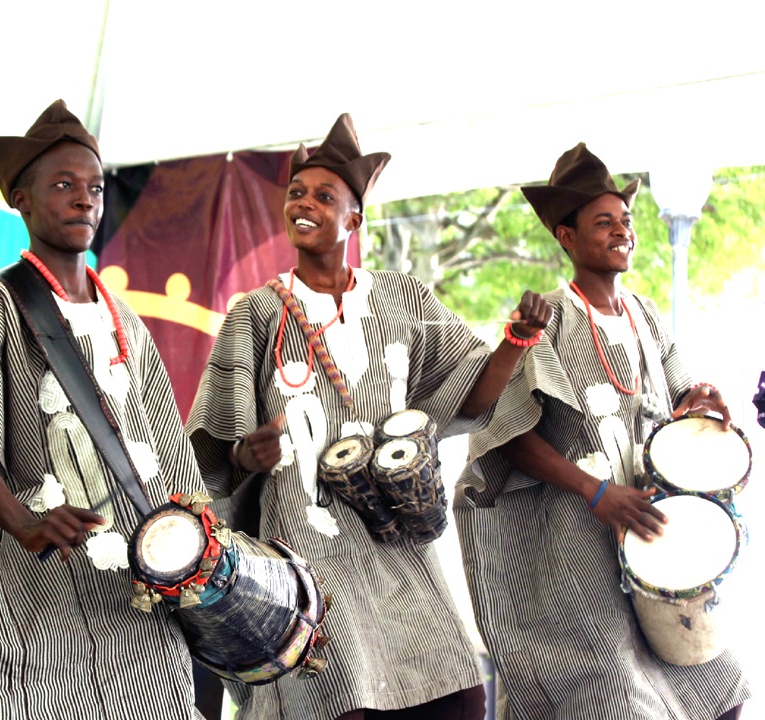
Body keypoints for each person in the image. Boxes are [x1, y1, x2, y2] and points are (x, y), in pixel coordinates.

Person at [186, 113, 551, 719]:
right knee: (340, 693)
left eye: (323, 196)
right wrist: (246, 454)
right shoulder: (252, 315)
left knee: (458, 696)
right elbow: (212, 451)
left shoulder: (402, 298)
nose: (304, 204)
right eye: (296, 193)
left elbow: (472, 397)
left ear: (354, 219)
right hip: (306, 544)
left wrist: (515, 341)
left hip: (397, 540)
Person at [0, 100, 209, 719]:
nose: (84, 200)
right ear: (22, 201)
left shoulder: (125, 322)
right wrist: (23, 522)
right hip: (18, 601)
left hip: (131, 607)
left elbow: (173, 459)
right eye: (62, 186)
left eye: (94, 188)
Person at [454, 143, 750, 719]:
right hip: (576, 547)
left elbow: (676, 396)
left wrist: (699, 401)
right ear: (566, 237)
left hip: (649, 533)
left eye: (626, 221)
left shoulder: (643, 313)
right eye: (603, 222)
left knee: (723, 684)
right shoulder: (550, 318)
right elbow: (507, 434)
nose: (622, 232)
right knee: (616, 698)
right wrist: (597, 493)